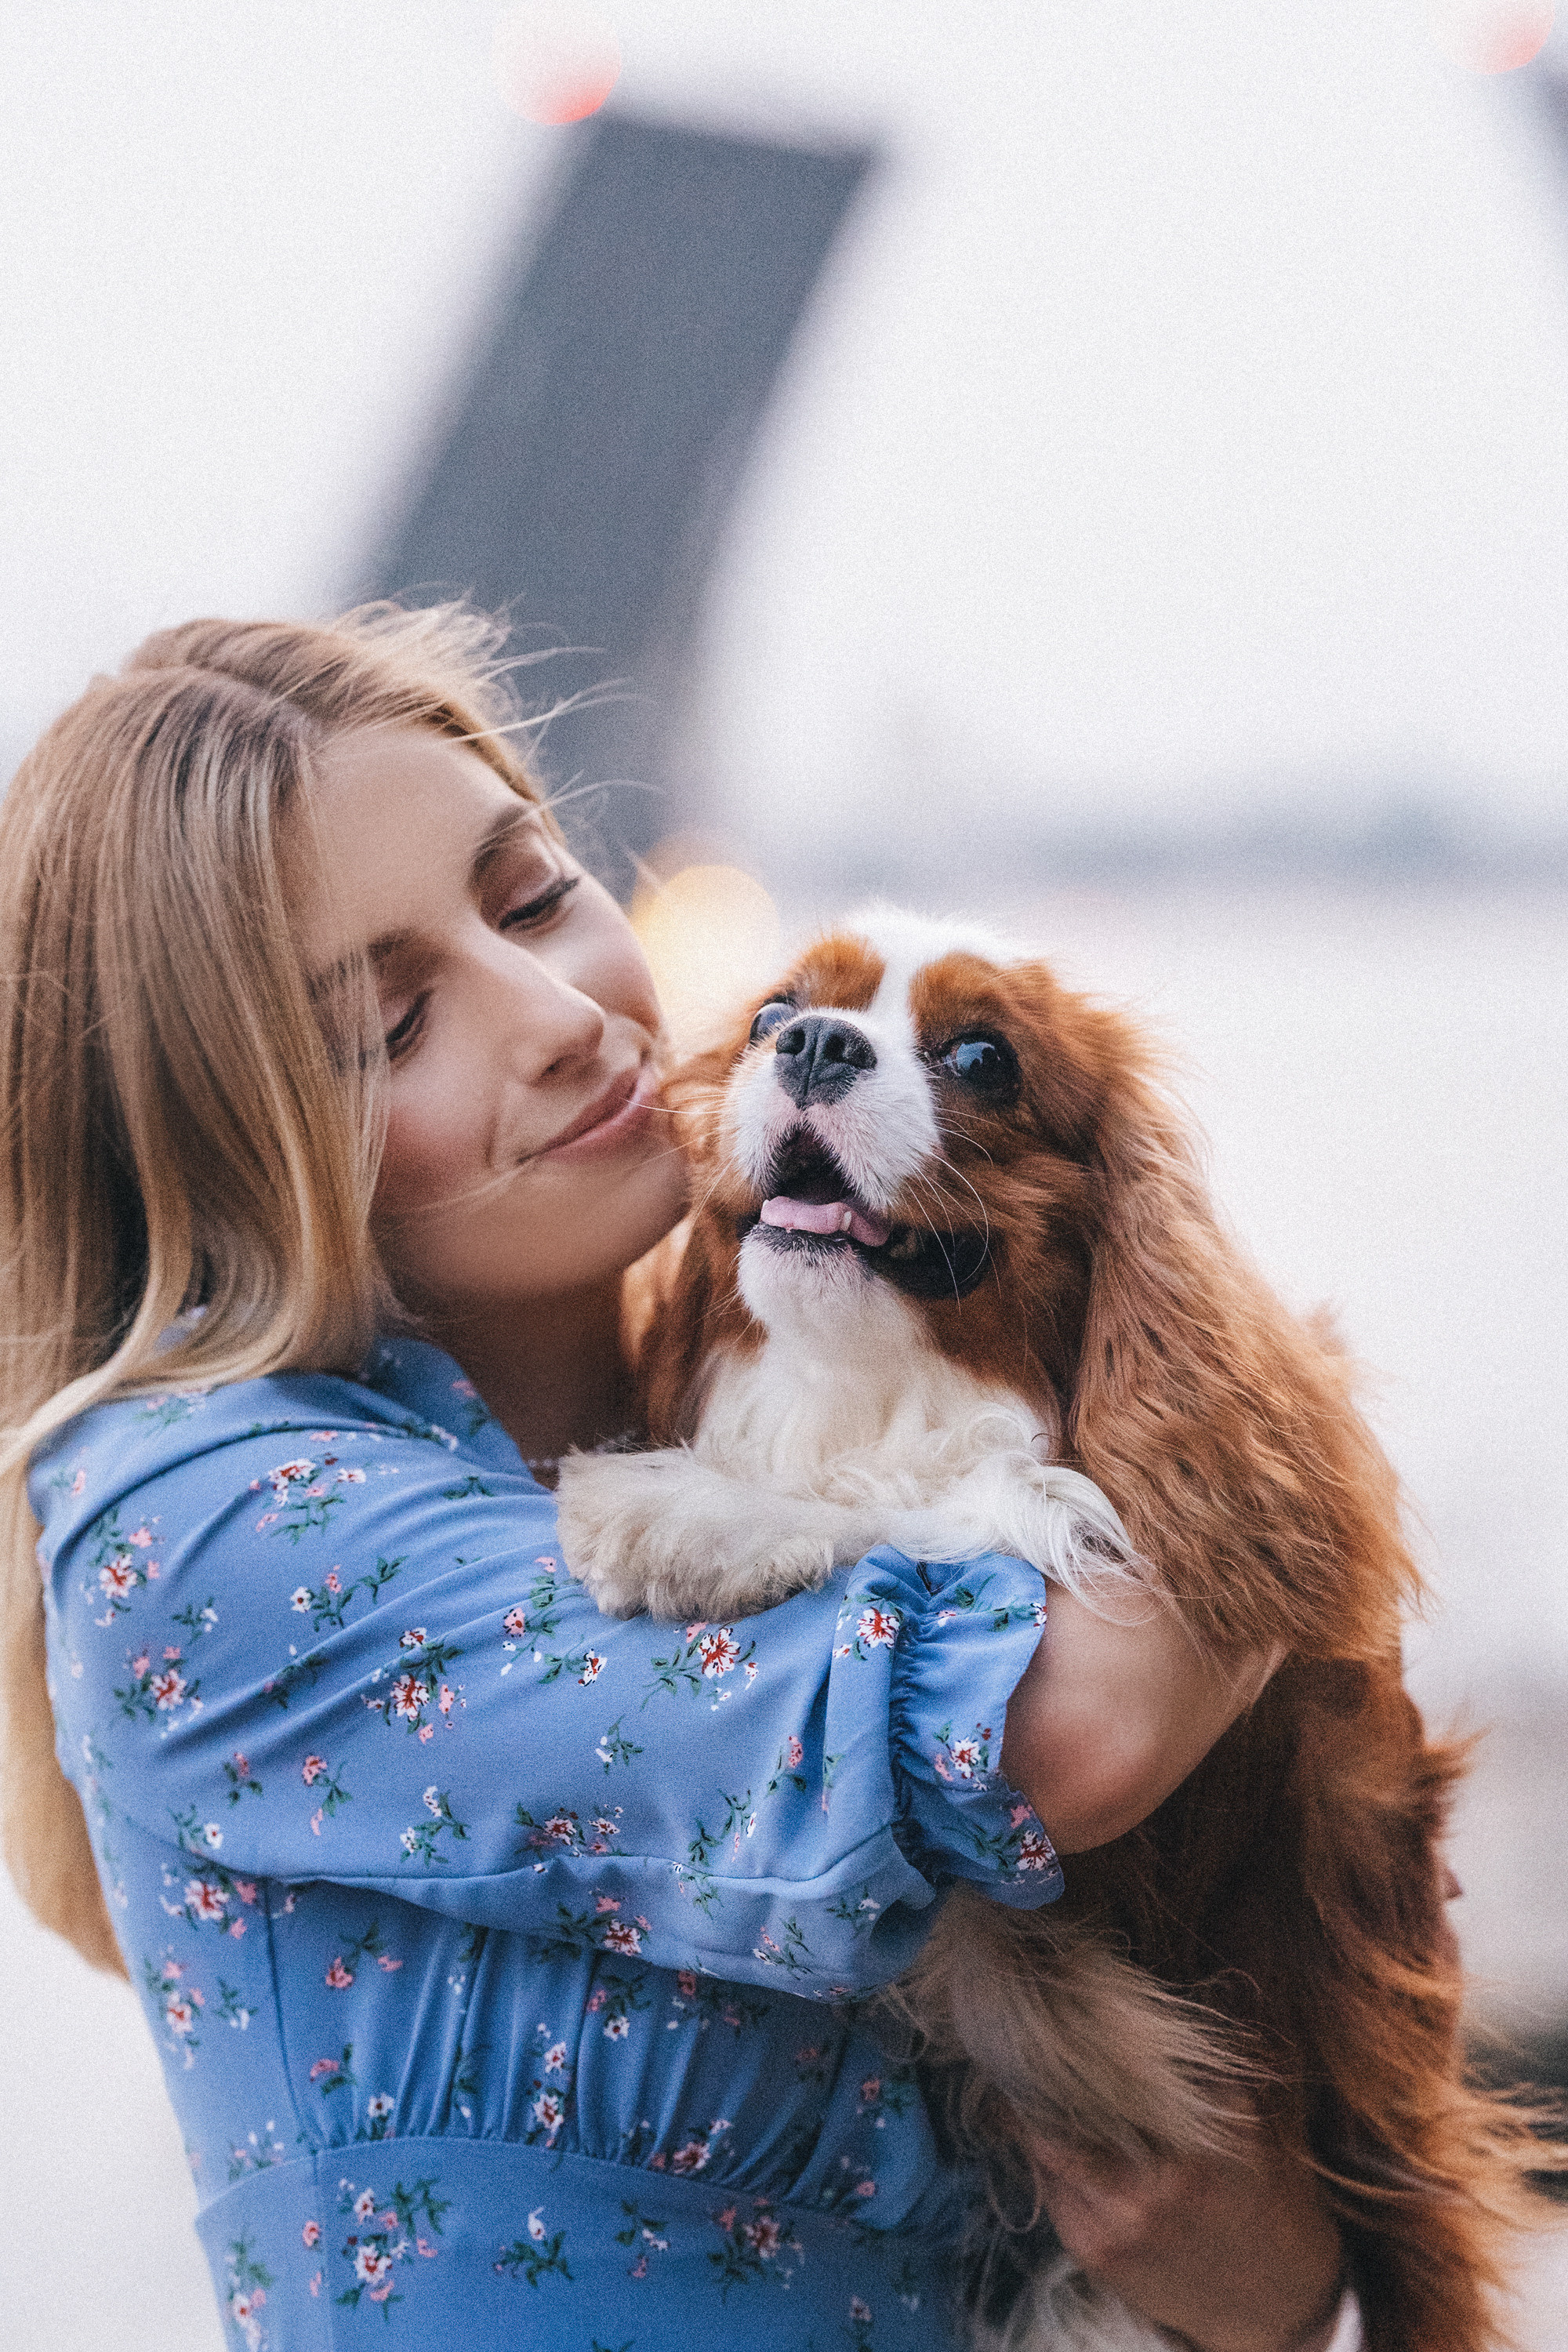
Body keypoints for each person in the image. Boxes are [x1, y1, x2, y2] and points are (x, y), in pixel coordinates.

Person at [0, 608, 1354, 2350]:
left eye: (535, 894)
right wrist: (1265, 1414)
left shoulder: (794, 1400)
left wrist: (1270, 2284)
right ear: (216, 1163)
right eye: (395, 1025)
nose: (564, 1015)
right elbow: (1072, 1722)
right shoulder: (195, 1530)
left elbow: (1194, 2230)